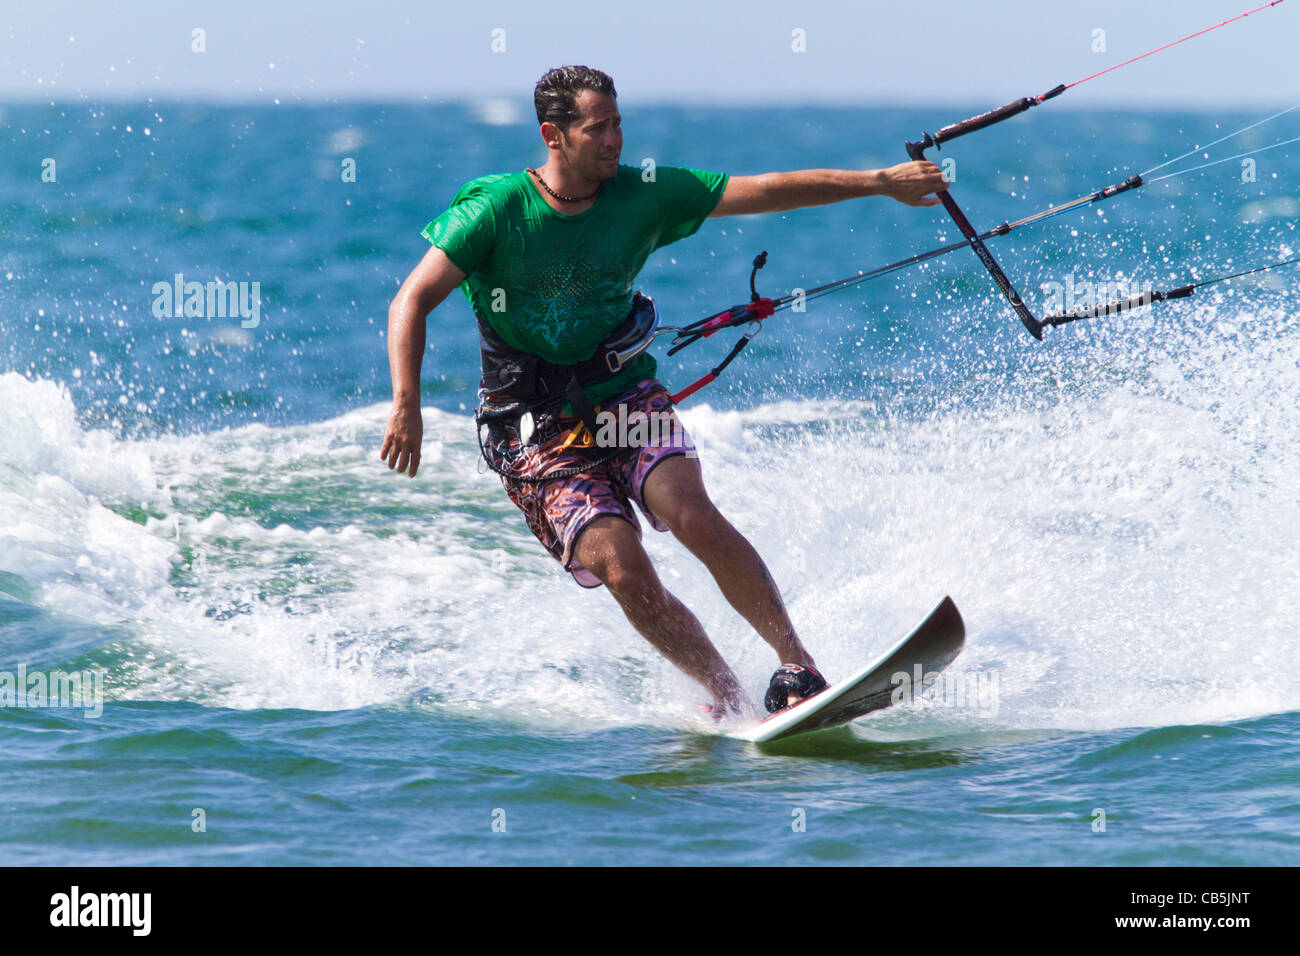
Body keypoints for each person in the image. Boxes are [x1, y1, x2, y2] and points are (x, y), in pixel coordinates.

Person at [380, 65, 948, 719]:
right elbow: (411, 301)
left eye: (619, 123)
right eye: (599, 128)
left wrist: (879, 183)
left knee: (691, 512)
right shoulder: (498, 209)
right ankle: (728, 697)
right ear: (554, 135)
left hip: (622, 395)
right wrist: (406, 403)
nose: (616, 140)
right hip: (530, 425)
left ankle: (799, 666)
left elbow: (760, 190)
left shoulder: (642, 194)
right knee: (622, 568)